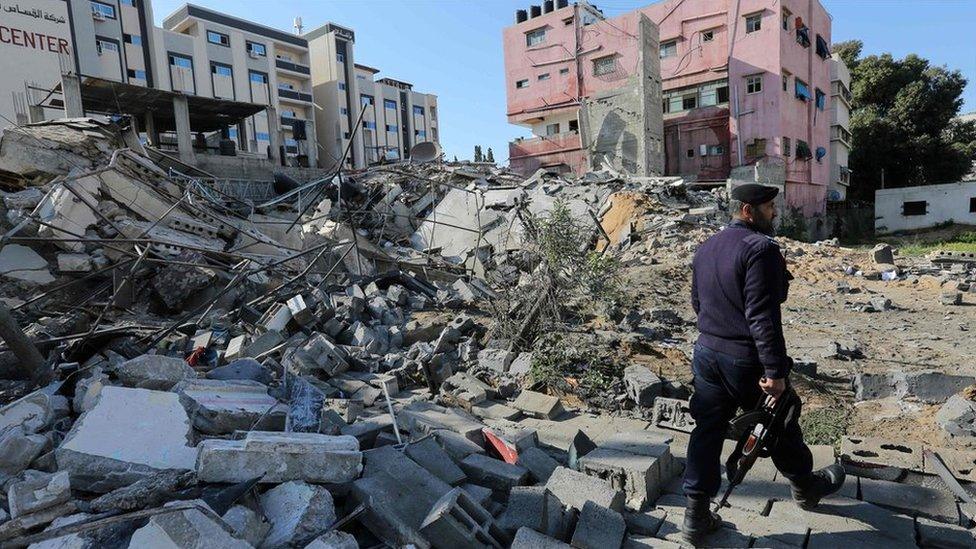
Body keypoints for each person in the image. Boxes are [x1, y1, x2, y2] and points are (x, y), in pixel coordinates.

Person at [681, 184, 845, 546]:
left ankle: (695, 515)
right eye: (769, 207)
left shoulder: (707, 246)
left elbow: (698, 302)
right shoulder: (761, 249)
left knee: (707, 428)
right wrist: (774, 372)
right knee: (781, 419)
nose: (774, 213)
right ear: (747, 210)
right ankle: (806, 487)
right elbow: (762, 316)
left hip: (706, 352)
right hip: (745, 360)